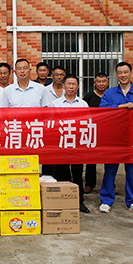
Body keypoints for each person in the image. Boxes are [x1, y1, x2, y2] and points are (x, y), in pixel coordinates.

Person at [99, 62, 133, 216]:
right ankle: (106, 200)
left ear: (131, 74)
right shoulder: (109, 94)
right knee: (110, 171)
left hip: (132, 141)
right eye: (120, 72)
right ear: (116, 75)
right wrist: (121, 107)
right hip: (114, 140)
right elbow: (102, 112)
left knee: (132, 171)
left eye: (125, 72)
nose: (123, 75)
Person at [50, 74, 89, 213]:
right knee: (62, 173)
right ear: (64, 86)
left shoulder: (83, 104)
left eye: (74, 84)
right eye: (69, 84)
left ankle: (79, 202)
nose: (71, 87)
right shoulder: (56, 104)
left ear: (77, 87)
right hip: (61, 144)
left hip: (77, 144)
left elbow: (87, 123)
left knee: (77, 174)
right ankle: (63, 201)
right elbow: (52, 123)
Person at [82, 72, 109, 193]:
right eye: (99, 81)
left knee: (109, 160)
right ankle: (89, 183)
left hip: (107, 131)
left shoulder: (111, 96)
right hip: (92, 131)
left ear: (107, 83)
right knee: (91, 159)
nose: (101, 84)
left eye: (103, 81)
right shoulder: (88, 97)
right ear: (94, 83)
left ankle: (110, 184)